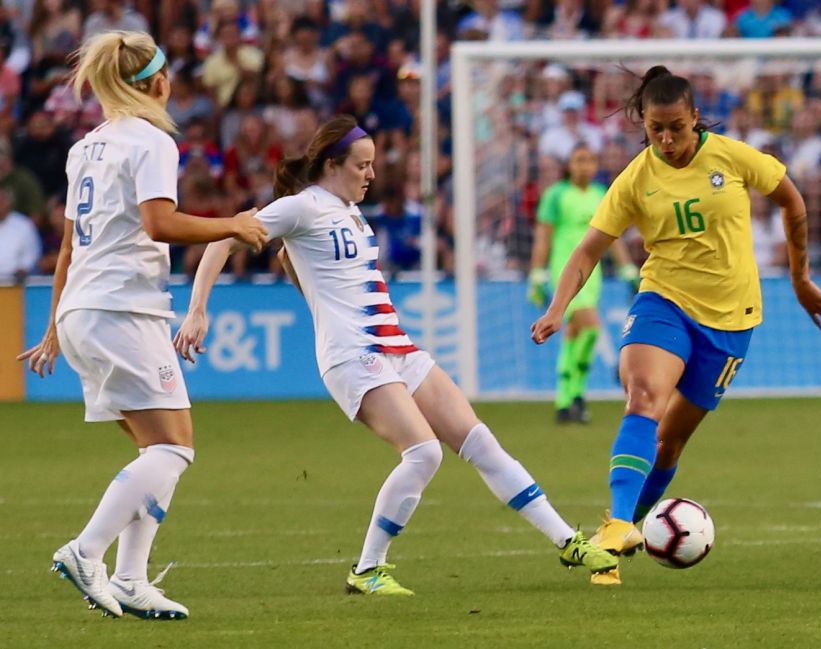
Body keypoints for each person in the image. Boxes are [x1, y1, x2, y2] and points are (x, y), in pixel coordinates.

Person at [174, 115, 618, 596]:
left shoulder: (350, 212)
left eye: (371, 165)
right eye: (361, 165)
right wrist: (197, 310)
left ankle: (566, 540)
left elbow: (289, 259)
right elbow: (225, 236)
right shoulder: (301, 207)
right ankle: (367, 569)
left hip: (397, 348)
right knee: (423, 452)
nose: (371, 174)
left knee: (479, 441)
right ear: (331, 164)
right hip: (353, 355)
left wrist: (312, 293)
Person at [530, 66, 821, 586]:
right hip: (664, 301)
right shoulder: (636, 177)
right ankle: (614, 530)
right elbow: (588, 251)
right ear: (644, 124)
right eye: (657, 129)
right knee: (643, 396)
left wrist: (800, 277)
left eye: (677, 126)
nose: (668, 139)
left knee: (670, 443)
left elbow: (792, 200)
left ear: (695, 117)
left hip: (730, 319)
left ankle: (628, 527)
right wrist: (558, 306)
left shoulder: (733, 156)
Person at [16, 31, 268, 619]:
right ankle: (87, 551)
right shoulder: (151, 141)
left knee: (158, 449)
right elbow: (160, 223)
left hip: (87, 307)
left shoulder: (88, 146)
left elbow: (68, 248)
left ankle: (130, 579)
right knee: (174, 450)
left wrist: (57, 324)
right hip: (120, 308)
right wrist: (233, 223)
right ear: (156, 83)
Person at [528, 144, 639, 423]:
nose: (585, 166)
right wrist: (537, 273)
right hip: (565, 270)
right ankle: (580, 391)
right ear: (569, 165)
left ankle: (567, 401)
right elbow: (544, 237)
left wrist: (626, 268)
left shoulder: (601, 194)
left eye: (590, 160)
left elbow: (611, 236)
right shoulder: (556, 195)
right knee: (590, 327)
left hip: (592, 273)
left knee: (574, 334)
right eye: (579, 160)